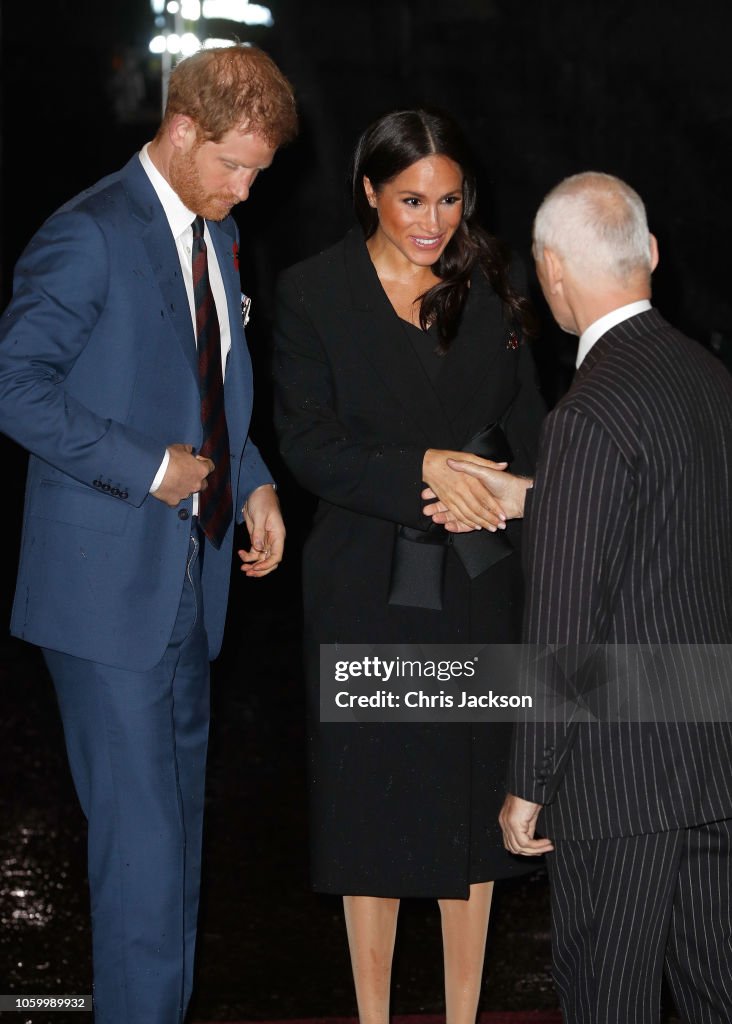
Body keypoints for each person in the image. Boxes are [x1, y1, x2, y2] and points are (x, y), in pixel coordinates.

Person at [0, 45, 296, 1024]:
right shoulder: (88, 234)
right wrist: (148, 465)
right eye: (235, 165)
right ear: (179, 132)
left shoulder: (214, 232)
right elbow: (16, 388)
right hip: (104, 595)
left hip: (190, 587)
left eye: (259, 170)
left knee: (173, 852)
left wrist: (250, 480)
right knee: (143, 858)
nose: (247, 187)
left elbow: (209, 386)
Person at [431, 172, 732, 1024]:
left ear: (551, 272)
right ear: (652, 255)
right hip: (714, 755)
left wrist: (528, 781)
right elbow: (672, 522)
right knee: (716, 992)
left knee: (610, 999)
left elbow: (565, 624)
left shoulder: (587, 414)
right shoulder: (709, 380)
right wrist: (540, 493)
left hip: (620, 779)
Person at [272, 109, 546, 1024]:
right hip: (364, 584)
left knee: (472, 808)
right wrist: (423, 473)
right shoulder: (315, 292)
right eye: (411, 200)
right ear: (369, 192)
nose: (433, 221)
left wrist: (504, 491)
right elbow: (307, 444)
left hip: (479, 580)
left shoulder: (493, 282)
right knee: (371, 812)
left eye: (450, 200)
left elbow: (532, 422)